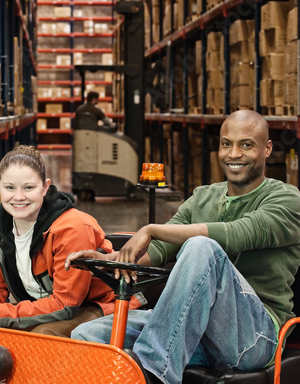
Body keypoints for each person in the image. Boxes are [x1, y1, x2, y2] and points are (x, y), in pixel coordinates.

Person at [66, 110, 300, 383]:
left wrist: (151, 229)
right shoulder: (203, 197)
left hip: (254, 337)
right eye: (226, 144)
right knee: (87, 336)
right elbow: (159, 250)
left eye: (246, 145)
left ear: (267, 148)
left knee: (202, 247)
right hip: (199, 329)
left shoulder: (287, 199)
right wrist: (111, 258)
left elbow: (238, 234)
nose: (233, 154)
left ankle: (155, 374)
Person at [0, 145, 141, 337]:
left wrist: (0, 314)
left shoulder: (71, 228)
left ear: (45, 187)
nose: (19, 197)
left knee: (44, 335)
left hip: (103, 304)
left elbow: (66, 305)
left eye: (29, 187)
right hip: (46, 305)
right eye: (9, 188)